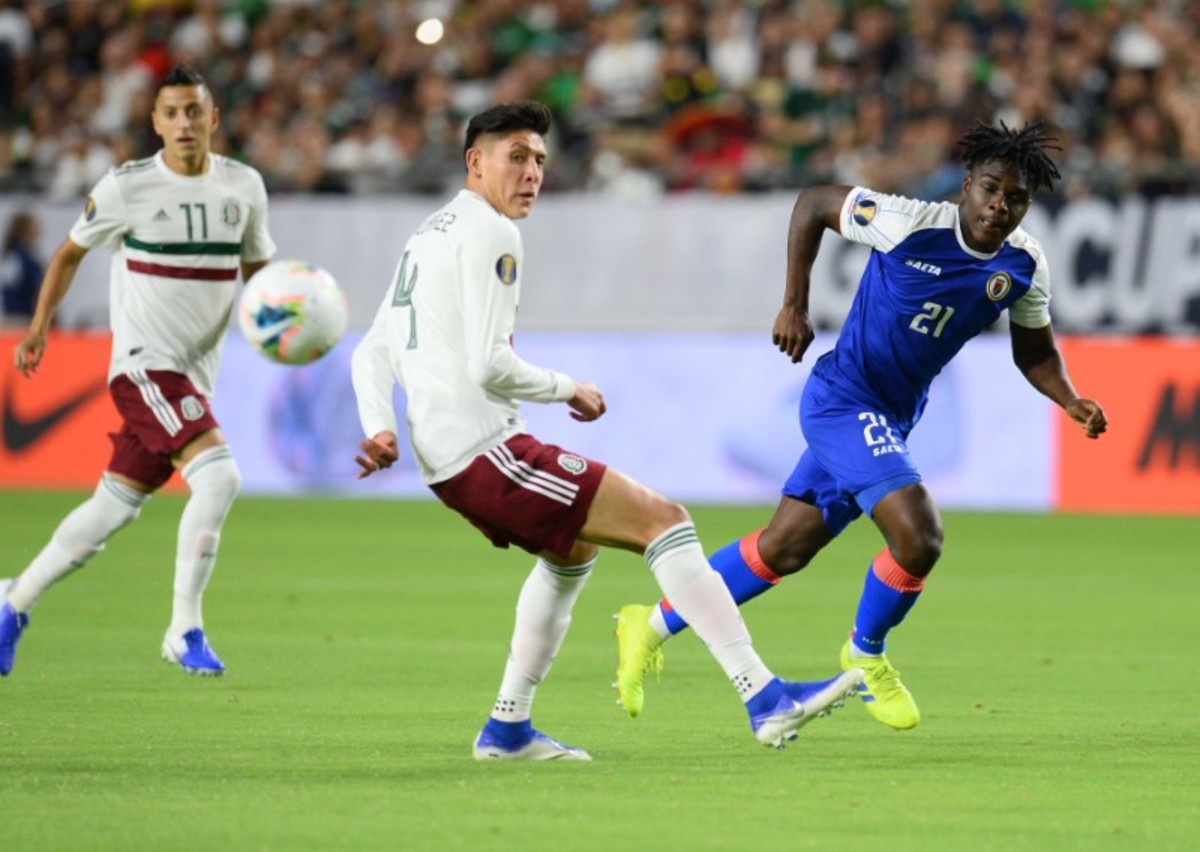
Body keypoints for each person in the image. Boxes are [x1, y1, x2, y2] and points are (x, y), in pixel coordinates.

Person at [350, 100, 863, 761]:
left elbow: (373, 349)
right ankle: (765, 697)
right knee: (665, 522)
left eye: (539, 159)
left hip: (451, 455)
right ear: (475, 162)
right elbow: (488, 365)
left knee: (572, 556)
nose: (531, 172)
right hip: (483, 450)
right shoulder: (492, 234)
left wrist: (379, 427)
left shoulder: (428, 233)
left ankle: (508, 729)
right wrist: (569, 387)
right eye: (515, 157)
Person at [614, 120, 1108, 728]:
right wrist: (794, 303)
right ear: (967, 186)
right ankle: (866, 653)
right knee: (919, 536)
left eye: (1016, 198)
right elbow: (814, 204)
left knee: (783, 548)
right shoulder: (908, 222)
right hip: (843, 400)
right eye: (990, 189)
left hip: (892, 416)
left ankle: (650, 624)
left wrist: (1070, 400)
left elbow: (1033, 352)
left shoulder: (1024, 264)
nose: (999, 205)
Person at [0, 65, 276, 678]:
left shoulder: (244, 186)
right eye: (171, 113)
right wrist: (40, 326)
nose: (184, 123)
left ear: (213, 118)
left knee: (113, 506)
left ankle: (12, 604)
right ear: (155, 122)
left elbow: (258, 276)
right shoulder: (127, 187)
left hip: (195, 375)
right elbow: (69, 253)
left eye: (194, 111)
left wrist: (281, 325)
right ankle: (184, 628)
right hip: (144, 367)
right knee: (220, 477)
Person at [0, 210, 44, 328]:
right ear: (26, 230)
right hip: (25, 321)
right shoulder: (27, 260)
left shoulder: (10, 255)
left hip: (9, 319)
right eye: (34, 225)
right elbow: (39, 294)